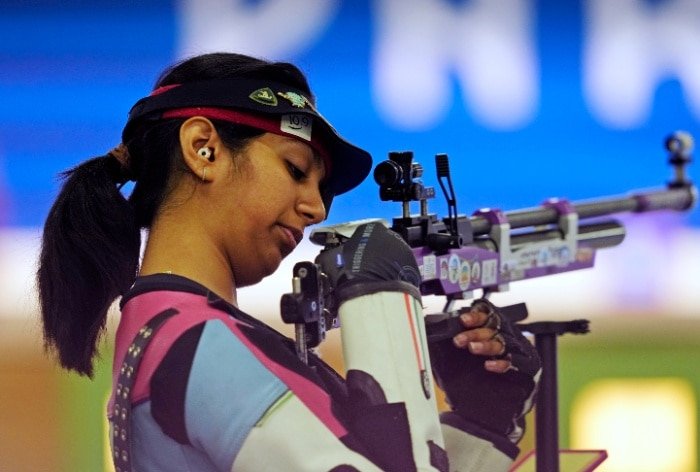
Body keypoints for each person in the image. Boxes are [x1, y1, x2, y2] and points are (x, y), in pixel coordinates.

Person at [37, 52, 540, 471]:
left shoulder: (192, 337)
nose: (316, 207)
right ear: (203, 148)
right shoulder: (196, 347)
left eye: (321, 190)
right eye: (296, 169)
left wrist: (482, 424)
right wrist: (382, 305)